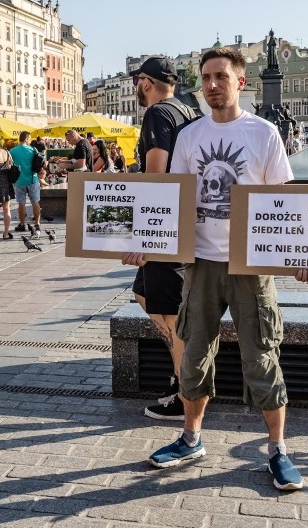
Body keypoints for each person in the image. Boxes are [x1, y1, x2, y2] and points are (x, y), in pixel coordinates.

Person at [150, 48, 308, 492]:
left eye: (220, 77)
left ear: (240, 82)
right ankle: (191, 439)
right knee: (193, 356)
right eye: (206, 77)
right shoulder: (189, 136)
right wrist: (143, 244)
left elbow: (285, 205)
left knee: (261, 354)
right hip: (202, 263)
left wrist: (302, 255)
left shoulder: (264, 134)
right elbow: (173, 201)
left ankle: (278, 450)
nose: (211, 85)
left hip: (251, 263)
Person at [123, 56, 198, 421]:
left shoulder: (156, 115)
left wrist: (146, 235)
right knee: (143, 294)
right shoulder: (186, 111)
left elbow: (157, 175)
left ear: (145, 82)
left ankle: (185, 392)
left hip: (165, 226)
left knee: (169, 313)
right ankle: (181, 375)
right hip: (182, 222)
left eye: (137, 81)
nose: (137, 87)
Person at [10, 131, 42, 232]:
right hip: (33, 179)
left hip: (19, 181)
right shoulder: (33, 149)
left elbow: (9, 165)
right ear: (26, 139)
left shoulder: (12, 151)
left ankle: (22, 224)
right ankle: (37, 224)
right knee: (35, 202)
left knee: (21, 204)